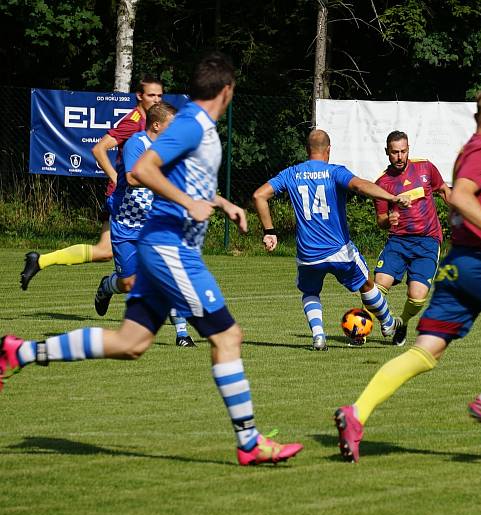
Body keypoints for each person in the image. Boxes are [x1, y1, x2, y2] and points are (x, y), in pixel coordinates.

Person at [1, 52, 303, 466]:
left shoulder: (198, 128)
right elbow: (142, 170)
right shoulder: (192, 125)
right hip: (171, 250)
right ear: (227, 90)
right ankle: (250, 443)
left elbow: (183, 179)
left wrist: (222, 203)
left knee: (130, 343)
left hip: (164, 249)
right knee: (228, 337)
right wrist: (188, 204)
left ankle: (18, 353)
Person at [333, 84, 481, 462]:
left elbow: (461, 200)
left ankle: (356, 414)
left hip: (456, 267)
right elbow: (465, 196)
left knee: (426, 352)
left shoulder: (467, 153)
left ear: (476, 118)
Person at [252, 129, 411, 351]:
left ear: (308, 150)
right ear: (328, 150)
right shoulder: (334, 172)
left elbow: (259, 195)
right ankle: (388, 323)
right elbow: (359, 185)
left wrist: (269, 231)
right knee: (366, 284)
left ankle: (318, 336)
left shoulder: (291, 174)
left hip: (307, 253)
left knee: (310, 292)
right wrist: (392, 197)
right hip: (338, 250)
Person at [20, 76, 164, 291]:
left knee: (104, 251)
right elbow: (99, 148)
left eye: (160, 95)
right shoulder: (134, 122)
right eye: (151, 95)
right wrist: (117, 178)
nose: (156, 99)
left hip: (135, 198)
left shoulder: (151, 122)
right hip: (125, 198)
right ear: (139, 96)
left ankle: (40, 261)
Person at [92, 101, 197, 348]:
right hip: (126, 221)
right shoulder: (136, 144)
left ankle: (182, 334)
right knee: (128, 282)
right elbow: (131, 177)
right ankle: (106, 287)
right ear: (158, 125)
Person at [372, 131, 450, 346]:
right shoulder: (381, 183)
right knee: (377, 286)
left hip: (427, 241)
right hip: (398, 242)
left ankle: (401, 323)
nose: (399, 156)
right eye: (395, 152)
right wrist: (390, 219)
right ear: (387, 152)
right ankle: (365, 328)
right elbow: (380, 220)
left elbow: (444, 191)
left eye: (403, 151)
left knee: (417, 297)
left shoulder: (425, 168)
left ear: (408, 150)